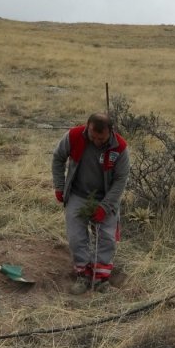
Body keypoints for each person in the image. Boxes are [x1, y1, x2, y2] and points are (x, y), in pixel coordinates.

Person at [52, 113, 130, 294]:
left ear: (110, 132)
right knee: (76, 237)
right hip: (78, 194)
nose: (96, 141)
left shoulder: (120, 148)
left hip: (106, 197)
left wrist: (105, 207)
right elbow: (58, 158)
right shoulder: (74, 136)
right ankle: (83, 276)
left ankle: (101, 279)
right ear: (88, 127)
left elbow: (120, 181)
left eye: (101, 139)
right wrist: (59, 185)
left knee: (107, 238)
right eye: (92, 136)